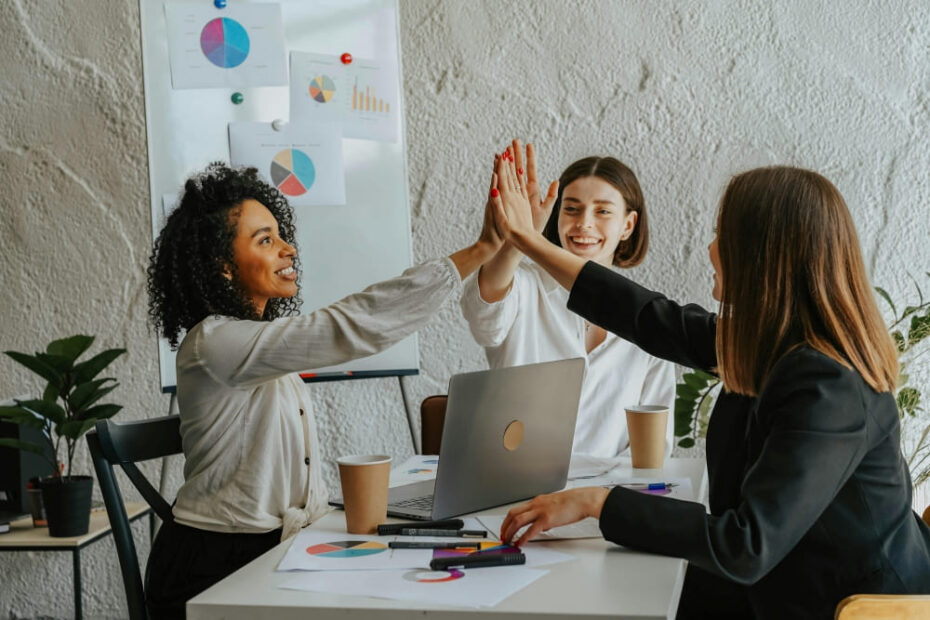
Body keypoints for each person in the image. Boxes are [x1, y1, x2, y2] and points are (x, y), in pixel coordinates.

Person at [489, 155, 930, 618]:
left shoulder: (829, 384)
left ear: (763, 255)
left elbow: (744, 545)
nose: (711, 248)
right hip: (784, 581)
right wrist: (527, 241)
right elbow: (647, 316)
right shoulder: (771, 344)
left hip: (846, 605)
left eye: (724, 235)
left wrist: (597, 503)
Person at [143, 162, 502, 618]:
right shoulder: (215, 343)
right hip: (214, 567)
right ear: (223, 267)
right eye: (265, 240)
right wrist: (481, 250)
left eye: (280, 235)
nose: (288, 249)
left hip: (268, 552)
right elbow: (346, 328)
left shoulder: (256, 344)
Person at [460, 142, 675, 457]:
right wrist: (520, 238)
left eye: (602, 211)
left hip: (604, 497)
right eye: (572, 208)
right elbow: (483, 317)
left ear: (628, 225)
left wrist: (603, 500)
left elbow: (654, 446)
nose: (584, 223)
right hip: (515, 490)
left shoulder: (649, 317)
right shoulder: (523, 286)